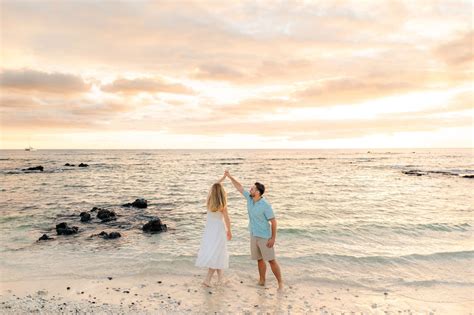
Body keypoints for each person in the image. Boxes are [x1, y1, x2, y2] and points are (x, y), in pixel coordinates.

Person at [225, 170, 283, 290]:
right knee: (259, 260)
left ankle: (280, 283)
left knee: (271, 260)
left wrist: (273, 238)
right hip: (253, 234)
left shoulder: (265, 205)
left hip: (264, 237)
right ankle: (262, 281)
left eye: (252, 189)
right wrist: (230, 177)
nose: (250, 190)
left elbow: (273, 221)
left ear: (257, 192)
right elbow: (239, 187)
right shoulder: (250, 200)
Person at [195, 173, 232, 287]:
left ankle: (221, 279)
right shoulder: (222, 205)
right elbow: (227, 220)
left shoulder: (209, 201)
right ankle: (207, 280)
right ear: (222, 193)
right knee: (217, 254)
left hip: (209, 231)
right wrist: (229, 231)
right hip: (218, 231)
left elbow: (214, 185)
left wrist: (222, 178)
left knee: (218, 253)